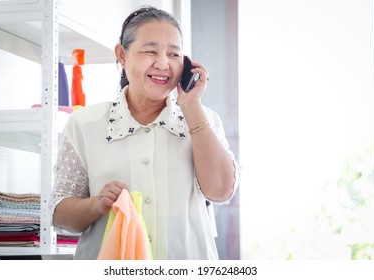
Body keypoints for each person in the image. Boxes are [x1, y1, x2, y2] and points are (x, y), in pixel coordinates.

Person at [49, 6, 239, 260]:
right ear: (122, 55)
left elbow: (221, 191)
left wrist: (192, 106)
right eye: (150, 51)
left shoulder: (203, 120)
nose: (163, 63)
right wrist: (96, 204)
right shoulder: (85, 123)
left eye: (174, 54)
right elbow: (60, 216)